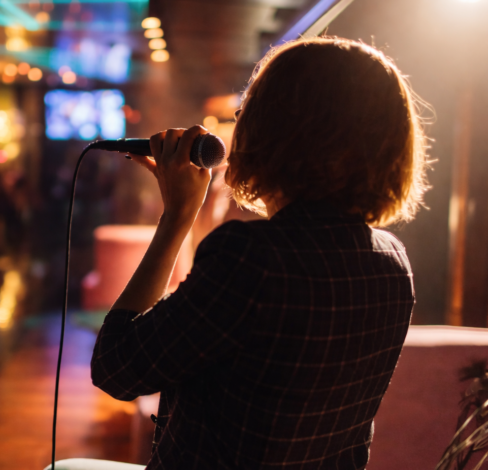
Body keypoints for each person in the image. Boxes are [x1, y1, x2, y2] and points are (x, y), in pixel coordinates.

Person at [49, 37, 430, 469]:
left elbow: (116, 368)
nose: (238, 120)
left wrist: (176, 219)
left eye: (248, 109)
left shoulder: (252, 258)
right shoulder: (393, 264)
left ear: (276, 132)